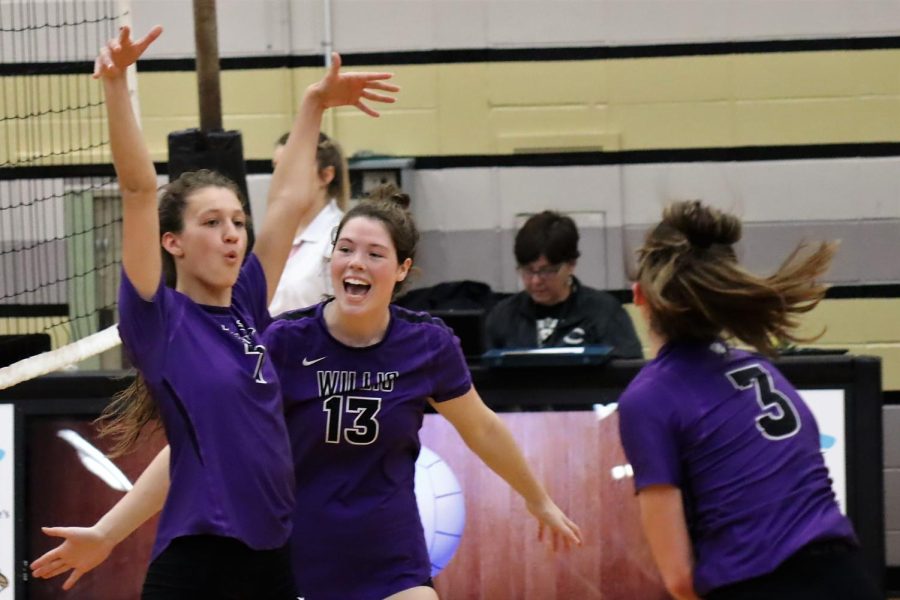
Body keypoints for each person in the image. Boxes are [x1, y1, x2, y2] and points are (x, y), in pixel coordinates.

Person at [32, 186, 583, 600]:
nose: (356, 264)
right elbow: (202, 449)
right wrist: (108, 531)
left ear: (402, 269)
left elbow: (482, 426)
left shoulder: (427, 344)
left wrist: (537, 498)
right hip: (292, 564)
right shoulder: (285, 342)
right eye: (345, 249)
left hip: (388, 561)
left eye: (374, 254)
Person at [36, 25, 398, 598]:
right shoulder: (162, 321)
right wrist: (114, 85)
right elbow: (136, 191)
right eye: (211, 223)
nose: (232, 235)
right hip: (201, 565)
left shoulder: (248, 306)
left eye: (236, 222)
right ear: (172, 242)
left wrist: (312, 105)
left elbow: (285, 201)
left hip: (273, 556)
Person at [617, 200, 880, 600]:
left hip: (759, 586)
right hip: (847, 578)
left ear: (640, 296)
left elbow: (679, 579)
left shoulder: (648, 398)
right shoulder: (762, 369)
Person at [485, 210, 642, 357]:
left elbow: (628, 376)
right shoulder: (503, 317)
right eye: (527, 270)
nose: (535, 280)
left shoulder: (605, 313)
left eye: (547, 271)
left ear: (571, 265)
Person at [268, 131, 349, 315]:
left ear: (326, 175)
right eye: (276, 168)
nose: (279, 179)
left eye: (291, 168)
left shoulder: (340, 236)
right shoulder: (275, 233)